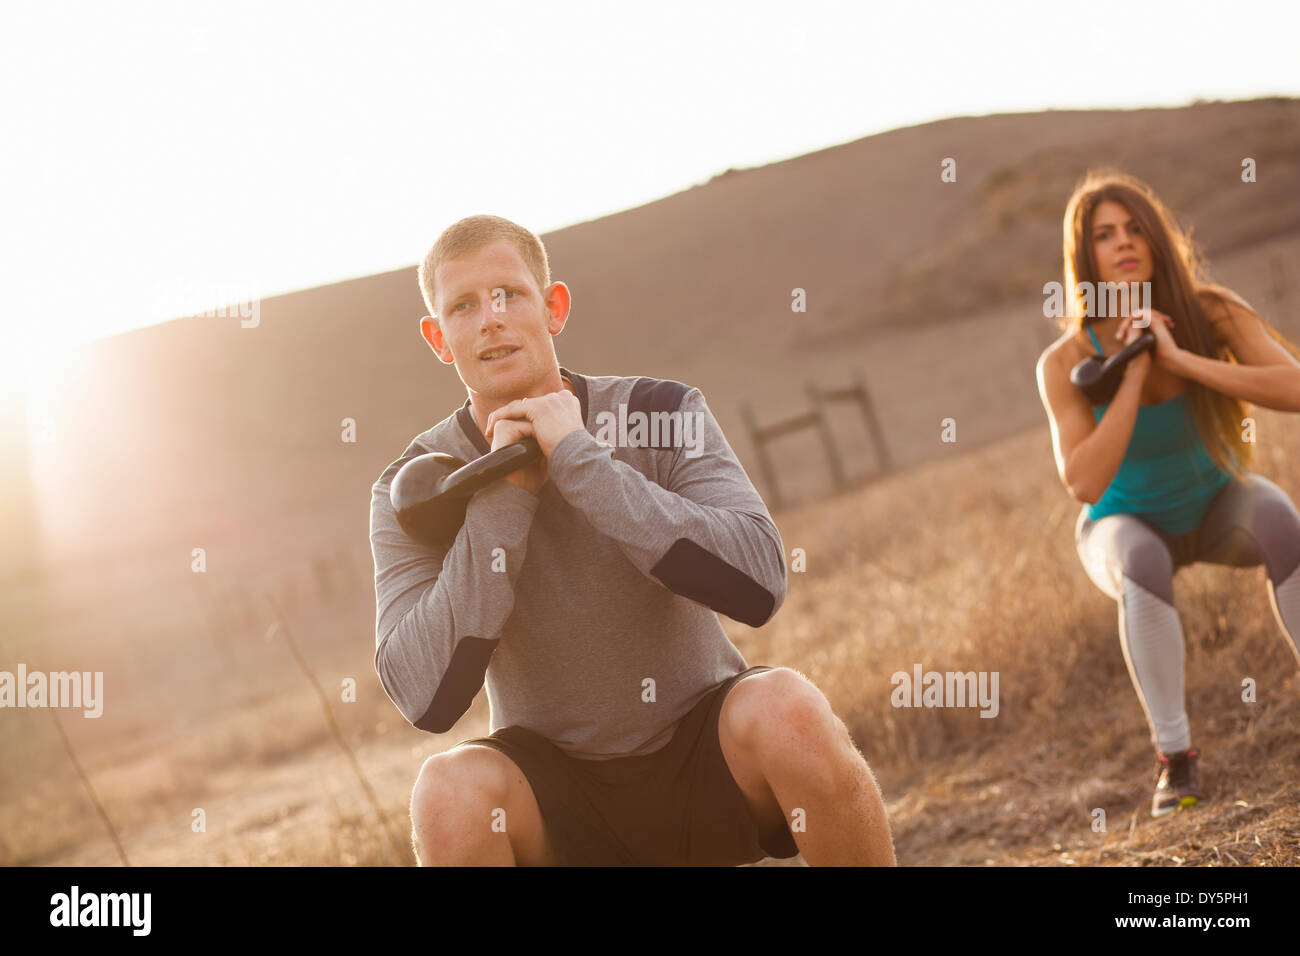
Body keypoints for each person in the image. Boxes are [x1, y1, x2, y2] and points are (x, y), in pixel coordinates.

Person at [368, 214, 896, 865]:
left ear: (553, 307)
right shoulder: (413, 485)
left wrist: (582, 463)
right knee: (446, 792)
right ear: (438, 338)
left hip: (710, 761)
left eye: (510, 295)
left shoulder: (659, 413)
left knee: (789, 707)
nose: (491, 319)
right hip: (560, 807)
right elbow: (423, 695)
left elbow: (761, 580)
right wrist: (505, 492)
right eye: (463, 306)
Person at [1036, 170, 1300, 818]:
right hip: (1122, 524)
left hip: (1214, 504)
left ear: (1155, 239)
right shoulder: (1067, 358)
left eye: (1134, 228)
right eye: (1104, 234)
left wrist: (1181, 360)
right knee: (1142, 560)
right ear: (1084, 256)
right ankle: (1176, 761)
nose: (1123, 242)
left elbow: (1295, 389)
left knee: (1281, 521)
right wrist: (1132, 372)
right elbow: (1084, 482)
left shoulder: (1212, 311)